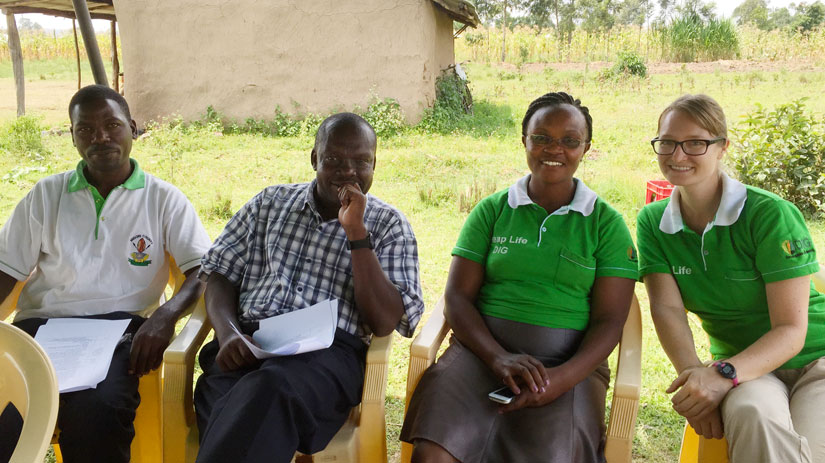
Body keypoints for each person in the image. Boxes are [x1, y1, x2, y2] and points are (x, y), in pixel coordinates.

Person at [400, 92, 638, 463]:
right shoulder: (492, 212)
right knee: (434, 453)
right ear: (523, 140)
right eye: (541, 137)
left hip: (566, 364)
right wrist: (497, 358)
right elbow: (458, 299)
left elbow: (611, 321)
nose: (553, 149)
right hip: (480, 354)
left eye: (569, 140)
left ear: (586, 148)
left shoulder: (605, 224)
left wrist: (562, 379)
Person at [193, 112, 424, 463]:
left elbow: (384, 322)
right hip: (248, 344)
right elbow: (219, 272)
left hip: (327, 357)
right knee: (232, 400)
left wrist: (357, 234)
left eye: (361, 161)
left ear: (375, 164)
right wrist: (227, 334)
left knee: (265, 391)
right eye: (334, 160)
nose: (348, 171)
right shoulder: (269, 204)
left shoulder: (389, 225)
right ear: (314, 159)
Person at [0, 84, 211, 462]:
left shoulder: (163, 199)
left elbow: (202, 271)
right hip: (43, 330)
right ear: (73, 137)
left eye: (112, 125)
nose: (100, 138)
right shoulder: (47, 195)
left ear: (132, 127)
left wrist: (165, 316)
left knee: (99, 410)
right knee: (8, 410)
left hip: (119, 333)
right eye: (86, 130)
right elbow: (5, 270)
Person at [637, 94, 825, 462]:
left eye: (695, 143)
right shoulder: (654, 223)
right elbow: (667, 308)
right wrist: (696, 380)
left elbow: (791, 329)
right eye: (668, 143)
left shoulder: (769, 214)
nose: (677, 156)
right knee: (752, 415)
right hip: (747, 370)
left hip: (817, 361)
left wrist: (720, 375)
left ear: (722, 147)